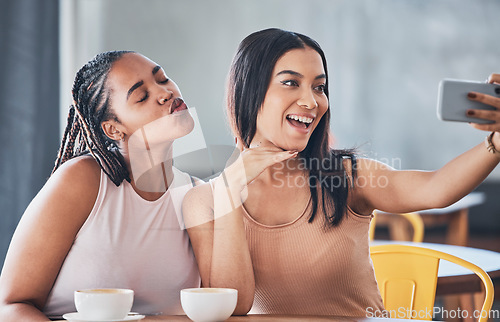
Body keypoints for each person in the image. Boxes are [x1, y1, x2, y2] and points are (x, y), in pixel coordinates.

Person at [182, 28, 500, 317]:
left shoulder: (346, 175)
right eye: (291, 82)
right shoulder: (204, 201)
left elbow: (436, 189)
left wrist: (496, 143)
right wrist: (230, 189)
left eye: (319, 87)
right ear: (248, 90)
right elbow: (234, 306)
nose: (311, 101)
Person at [0, 51, 201, 320]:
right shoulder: (84, 181)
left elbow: (231, 302)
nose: (165, 92)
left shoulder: (197, 195)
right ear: (114, 129)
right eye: (141, 97)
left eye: (162, 78)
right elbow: (10, 305)